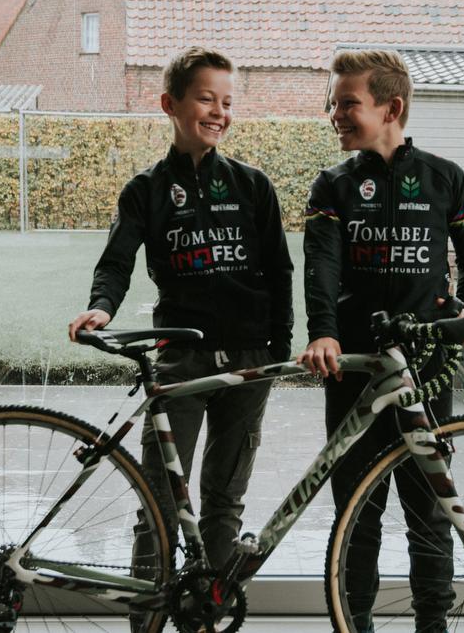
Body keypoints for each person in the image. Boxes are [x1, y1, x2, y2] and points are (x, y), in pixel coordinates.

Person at [68, 46, 293, 626]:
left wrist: (279, 347)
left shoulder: (252, 185)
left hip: (249, 361)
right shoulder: (144, 190)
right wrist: (100, 307)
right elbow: (116, 260)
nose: (218, 111)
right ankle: (147, 620)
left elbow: (280, 269)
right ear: (169, 103)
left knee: (223, 503)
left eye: (227, 101)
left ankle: (204, 619)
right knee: (160, 505)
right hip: (182, 360)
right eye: (205, 98)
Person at [298, 49, 464, 633]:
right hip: (353, 368)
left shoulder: (444, 177)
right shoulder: (332, 185)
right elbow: (321, 266)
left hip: (424, 369)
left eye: (347, 102)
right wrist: (323, 333)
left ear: (392, 107)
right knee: (356, 513)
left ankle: (432, 625)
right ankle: (353, 624)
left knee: (430, 510)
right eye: (333, 102)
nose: (335, 113)